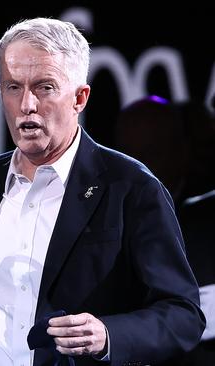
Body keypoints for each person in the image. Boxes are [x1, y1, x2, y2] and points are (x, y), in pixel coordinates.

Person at [0, 18, 205, 366]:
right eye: (13, 87)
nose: (26, 104)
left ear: (80, 97)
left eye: (44, 87)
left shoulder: (131, 188)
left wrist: (107, 335)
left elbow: (183, 315)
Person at [114, 96, 215, 366]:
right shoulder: (104, 225)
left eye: (152, 151)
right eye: (128, 153)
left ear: (181, 151)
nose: (140, 166)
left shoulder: (203, 220)